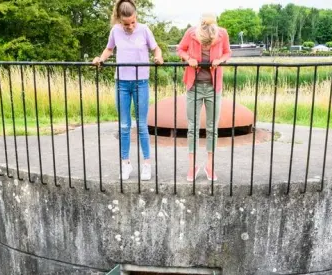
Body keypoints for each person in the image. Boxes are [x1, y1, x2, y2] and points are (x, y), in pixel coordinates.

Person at [93, 0, 164, 181]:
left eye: (133, 22)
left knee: (141, 125)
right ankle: (125, 163)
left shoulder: (145, 29)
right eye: (126, 24)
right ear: (119, 19)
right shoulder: (115, 31)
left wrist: (158, 57)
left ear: (136, 17)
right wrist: (100, 59)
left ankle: (146, 164)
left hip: (141, 82)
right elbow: (109, 49)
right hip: (122, 83)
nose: (130, 26)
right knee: (124, 126)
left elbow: (156, 48)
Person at [177, 13, 231, 181]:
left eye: (209, 43)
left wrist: (220, 59)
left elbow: (228, 52)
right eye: (204, 42)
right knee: (192, 127)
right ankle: (192, 166)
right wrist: (188, 58)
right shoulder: (191, 33)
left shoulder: (222, 33)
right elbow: (180, 49)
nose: (206, 45)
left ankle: (209, 165)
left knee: (212, 127)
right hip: (194, 86)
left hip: (214, 87)